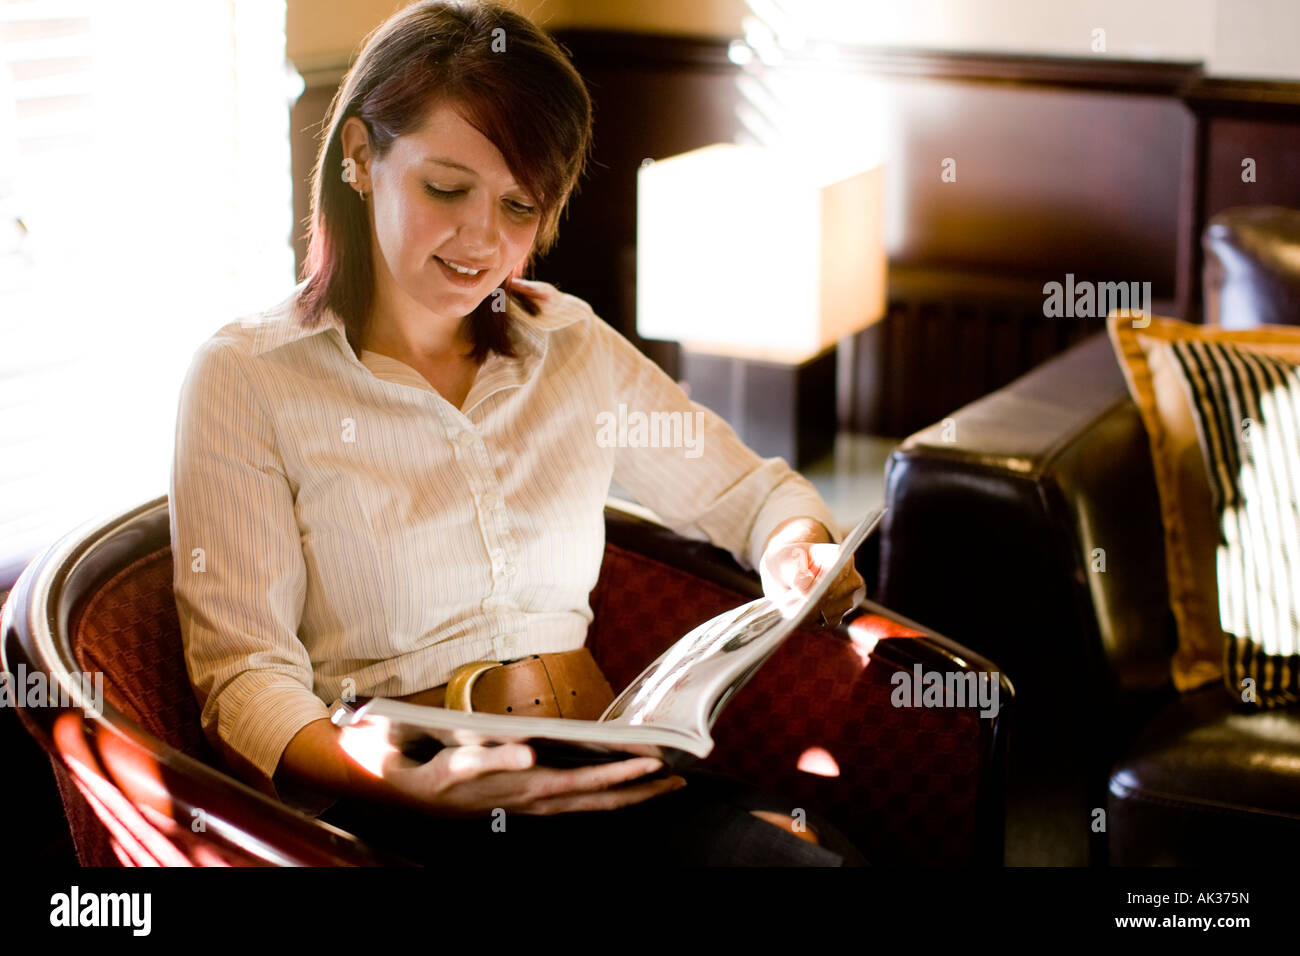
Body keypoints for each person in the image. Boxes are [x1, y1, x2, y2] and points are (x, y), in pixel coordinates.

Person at [169, 0, 867, 866]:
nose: (482, 241)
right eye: (446, 189)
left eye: (519, 205)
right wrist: (389, 776)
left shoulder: (568, 344)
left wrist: (795, 549)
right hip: (409, 812)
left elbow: (752, 495)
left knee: (813, 861)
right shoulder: (248, 378)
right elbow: (244, 680)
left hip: (610, 775)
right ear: (359, 157)